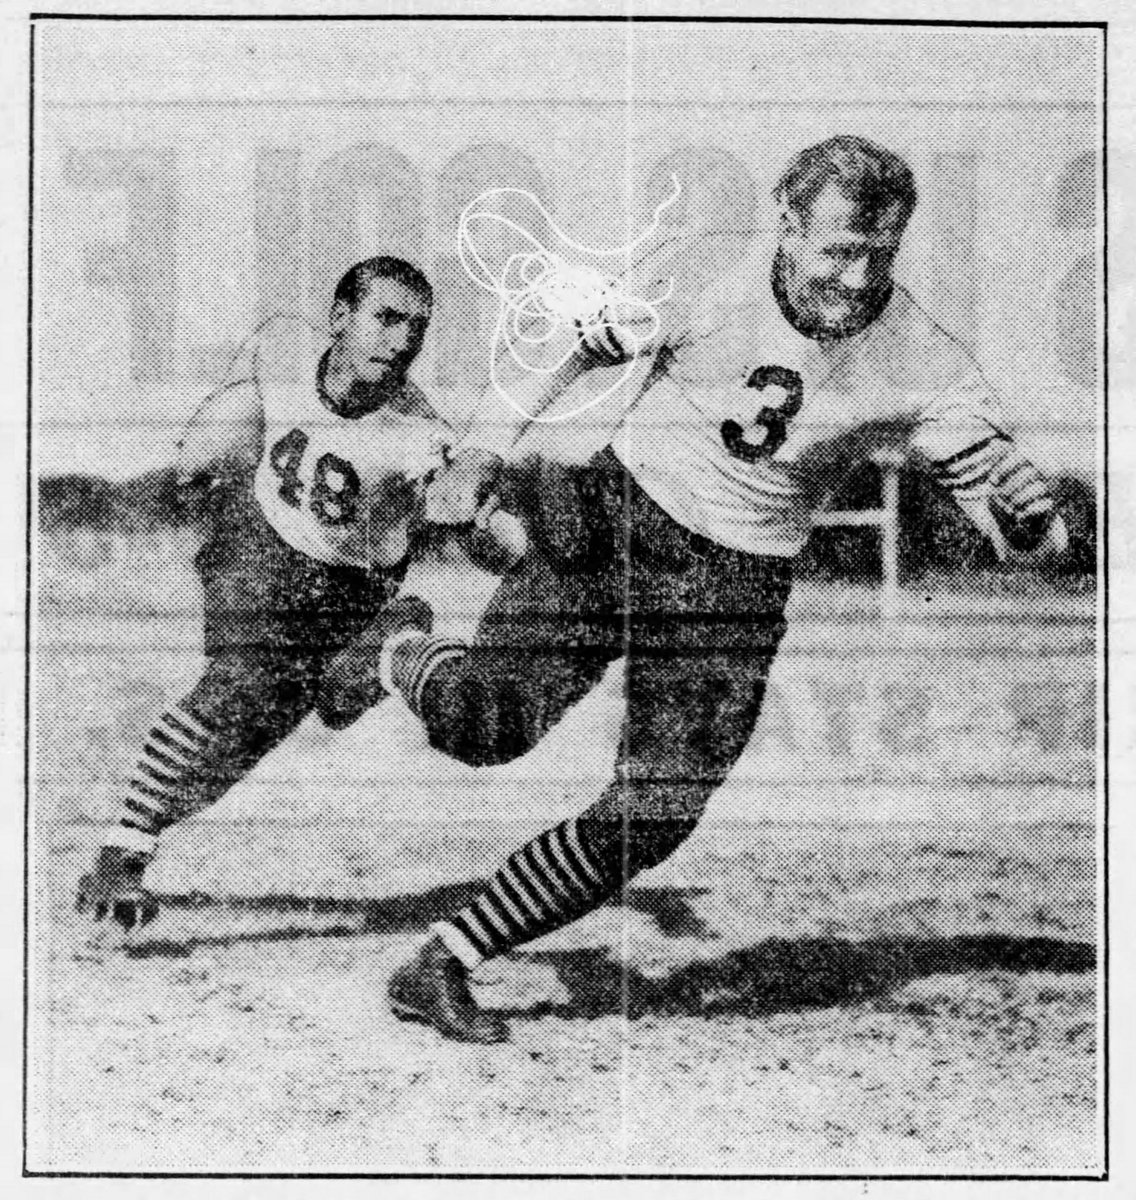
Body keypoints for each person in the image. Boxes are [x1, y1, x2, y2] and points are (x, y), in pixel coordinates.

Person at [363, 136, 1070, 1045]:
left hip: (738, 583)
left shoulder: (928, 361)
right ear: (785, 221)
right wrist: (484, 453)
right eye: (839, 250)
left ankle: (444, 962)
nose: (857, 281)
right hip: (618, 521)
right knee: (482, 730)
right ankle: (398, 646)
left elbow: (1024, 540)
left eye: (880, 255)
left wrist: (1035, 520)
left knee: (657, 813)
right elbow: (560, 351)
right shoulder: (704, 271)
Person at [75, 256, 466, 932]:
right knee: (236, 683)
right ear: (341, 318)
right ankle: (123, 853)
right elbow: (243, 393)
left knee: (234, 758)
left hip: (355, 591)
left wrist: (497, 523)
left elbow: (466, 509)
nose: (401, 341)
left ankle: (131, 830)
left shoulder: (421, 432)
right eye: (387, 318)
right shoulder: (286, 347)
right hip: (261, 548)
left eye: (417, 328)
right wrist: (200, 453)